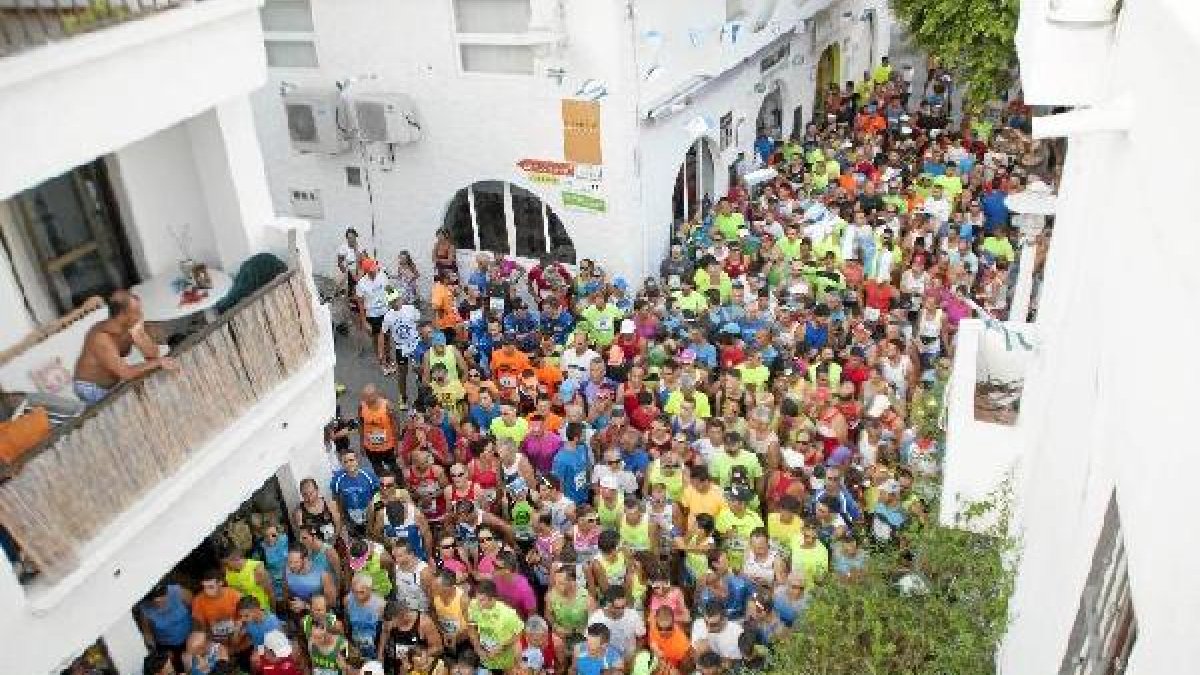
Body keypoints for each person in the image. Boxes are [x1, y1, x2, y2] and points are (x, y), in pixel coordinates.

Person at [73, 289, 178, 404]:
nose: (141, 314)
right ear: (122, 315)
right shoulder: (101, 338)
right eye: (136, 311)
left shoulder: (130, 325)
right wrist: (158, 362)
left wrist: (140, 335)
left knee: (156, 386)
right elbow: (126, 373)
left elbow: (153, 355)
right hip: (90, 388)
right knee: (134, 404)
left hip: (115, 381)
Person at [140, 582, 193, 668]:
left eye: (161, 595)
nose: (157, 600)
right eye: (153, 598)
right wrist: (156, 653)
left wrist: (195, 635)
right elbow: (147, 633)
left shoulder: (180, 592)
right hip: (167, 647)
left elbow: (195, 610)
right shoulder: (144, 609)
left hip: (190, 638)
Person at [331, 449, 380, 537]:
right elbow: (336, 498)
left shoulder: (369, 475)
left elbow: (378, 494)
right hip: (351, 515)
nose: (349, 464)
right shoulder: (337, 479)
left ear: (357, 460)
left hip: (370, 512)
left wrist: (376, 513)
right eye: (345, 462)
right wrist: (343, 516)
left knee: (372, 535)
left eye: (351, 460)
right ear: (341, 463)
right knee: (358, 537)